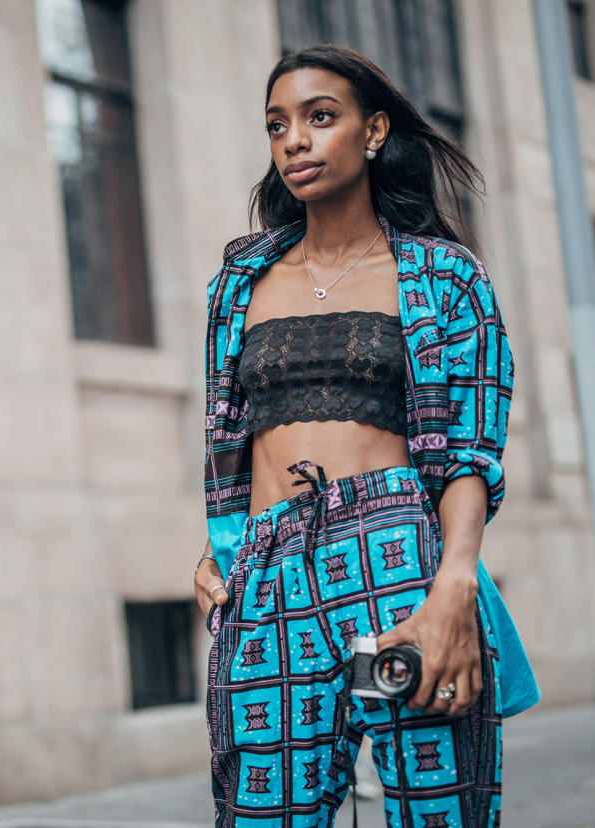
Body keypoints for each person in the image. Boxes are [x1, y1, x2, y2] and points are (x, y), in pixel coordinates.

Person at [193, 44, 539, 827]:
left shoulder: (444, 277)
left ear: (374, 131)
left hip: (397, 563)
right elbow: (228, 442)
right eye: (277, 125)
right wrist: (222, 551)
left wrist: (453, 586)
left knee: (437, 810)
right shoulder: (237, 285)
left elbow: (469, 456)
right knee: (263, 812)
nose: (295, 141)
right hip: (270, 571)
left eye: (320, 118)